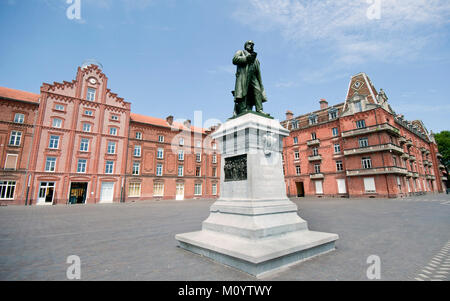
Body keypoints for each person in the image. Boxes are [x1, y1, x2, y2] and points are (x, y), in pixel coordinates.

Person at [232, 40, 268, 116]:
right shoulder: (241, 52)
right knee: (244, 92)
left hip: (254, 76)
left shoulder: (256, 58)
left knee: (257, 90)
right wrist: (246, 58)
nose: (251, 45)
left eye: (252, 44)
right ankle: (243, 109)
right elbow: (235, 59)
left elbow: (258, 70)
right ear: (245, 45)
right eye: (249, 43)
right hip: (244, 76)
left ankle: (259, 109)